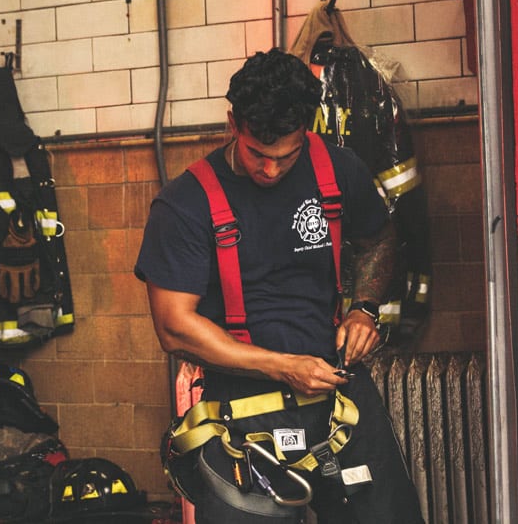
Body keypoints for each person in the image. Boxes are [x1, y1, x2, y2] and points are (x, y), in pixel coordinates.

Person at [135, 48, 423, 524]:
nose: (269, 170)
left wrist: (363, 309)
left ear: (307, 128)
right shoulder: (184, 204)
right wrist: (281, 367)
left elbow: (379, 239)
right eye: (257, 154)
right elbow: (174, 328)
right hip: (239, 413)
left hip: (337, 397)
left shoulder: (339, 169)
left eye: (285, 157)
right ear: (233, 123)